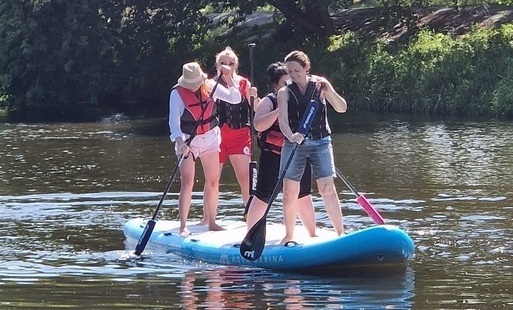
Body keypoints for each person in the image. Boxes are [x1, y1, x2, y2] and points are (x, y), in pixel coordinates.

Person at [277, 50, 347, 243]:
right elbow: (282, 121)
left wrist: (330, 92)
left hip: (321, 141)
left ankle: (340, 233)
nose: (293, 75)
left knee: (326, 187)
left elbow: (341, 108)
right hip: (295, 144)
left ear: (306, 68)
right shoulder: (284, 92)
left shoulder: (320, 86)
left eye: (297, 70)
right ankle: (289, 235)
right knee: (290, 190)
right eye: (289, 71)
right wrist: (292, 136)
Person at [168, 61, 241, 236]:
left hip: (210, 139)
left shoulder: (210, 85)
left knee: (213, 182)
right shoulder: (177, 93)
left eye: (195, 83)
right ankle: (183, 225)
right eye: (190, 84)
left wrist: (228, 78)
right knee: (187, 182)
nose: (193, 87)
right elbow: (174, 122)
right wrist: (180, 142)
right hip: (187, 141)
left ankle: (212, 222)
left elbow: (235, 98)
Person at [245, 62, 316, 237]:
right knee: (263, 196)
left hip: (298, 154)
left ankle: (313, 234)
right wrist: (280, 110)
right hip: (274, 155)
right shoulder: (270, 101)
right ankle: (251, 235)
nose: (289, 87)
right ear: (276, 86)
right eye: (285, 84)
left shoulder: (302, 99)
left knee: (303, 195)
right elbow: (258, 125)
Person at [215, 47, 258, 206]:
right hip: (216, 136)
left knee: (246, 178)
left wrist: (254, 97)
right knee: (213, 180)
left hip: (239, 134)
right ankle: (208, 219)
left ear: (235, 65)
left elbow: (257, 108)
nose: (226, 66)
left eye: (230, 63)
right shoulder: (211, 84)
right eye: (223, 63)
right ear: (217, 65)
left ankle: (250, 214)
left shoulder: (243, 84)